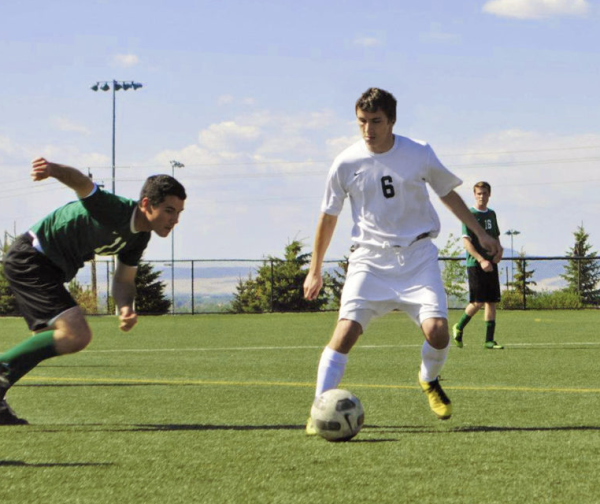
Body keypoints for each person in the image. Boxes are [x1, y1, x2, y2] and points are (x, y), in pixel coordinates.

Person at [303, 88, 502, 431]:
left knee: (438, 332)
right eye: (362, 122)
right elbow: (328, 216)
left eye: (376, 121)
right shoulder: (345, 163)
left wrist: (481, 233)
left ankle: (429, 378)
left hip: (418, 256)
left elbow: (448, 194)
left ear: (392, 121)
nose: (368, 129)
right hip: (368, 259)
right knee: (344, 333)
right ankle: (318, 411)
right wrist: (315, 269)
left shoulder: (418, 152)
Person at [0, 158, 186, 425]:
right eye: (169, 210)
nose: (175, 219)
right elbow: (82, 183)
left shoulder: (140, 237)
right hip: (31, 257)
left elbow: (124, 279)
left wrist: (125, 308)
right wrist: (52, 170)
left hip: (48, 269)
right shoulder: (115, 210)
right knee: (76, 334)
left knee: (48, 339)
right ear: (146, 204)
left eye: (179, 212)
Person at [452, 181, 503, 349]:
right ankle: (459, 327)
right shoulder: (469, 215)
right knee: (478, 301)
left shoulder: (491, 214)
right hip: (476, 264)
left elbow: (496, 237)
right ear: (474, 195)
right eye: (479, 193)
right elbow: (466, 243)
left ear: (489, 195)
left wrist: (498, 252)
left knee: (491, 301)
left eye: (484, 193)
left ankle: (489, 340)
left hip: (491, 263)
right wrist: (481, 260)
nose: (481, 196)